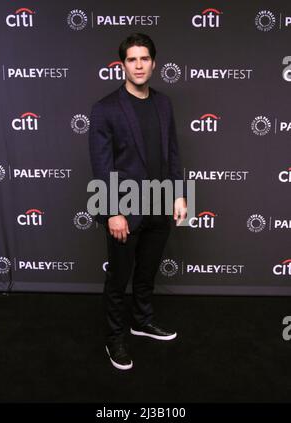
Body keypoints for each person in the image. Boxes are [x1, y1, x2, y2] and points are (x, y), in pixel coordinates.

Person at [89, 33, 187, 370]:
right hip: (124, 208)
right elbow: (101, 167)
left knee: (146, 273)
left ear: (154, 63)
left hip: (160, 203)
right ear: (122, 65)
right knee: (119, 278)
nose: (139, 65)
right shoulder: (104, 109)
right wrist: (112, 211)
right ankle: (114, 338)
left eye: (144, 58)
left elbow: (173, 152)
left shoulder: (164, 103)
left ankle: (142, 321)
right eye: (132, 59)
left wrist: (178, 193)